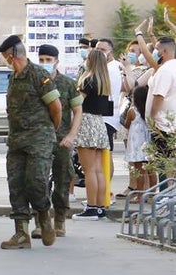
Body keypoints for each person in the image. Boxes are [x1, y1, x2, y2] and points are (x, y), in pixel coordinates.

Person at [0, 35, 61, 249]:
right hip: (16, 140)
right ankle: (21, 234)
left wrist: (50, 130)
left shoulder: (38, 74)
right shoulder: (13, 77)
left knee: (36, 182)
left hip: (38, 139)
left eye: (6, 55)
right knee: (16, 185)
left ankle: (44, 215)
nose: (5, 59)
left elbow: (56, 107)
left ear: (12, 54)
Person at [33, 45, 82, 238]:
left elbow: (78, 111)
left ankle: (60, 221)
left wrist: (71, 136)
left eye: (48, 59)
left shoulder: (67, 84)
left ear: (56, 61)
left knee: (62, 180)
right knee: (38, 181)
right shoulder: (35, 82)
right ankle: (41, 222)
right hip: (39, 140)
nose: (44, 63)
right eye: (41, 59)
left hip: (62, 141)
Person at [72, 47, 114, 220]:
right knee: (98, 170)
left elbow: (77, 102)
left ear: (90, 60)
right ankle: (99, 208)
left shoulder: (88, 80)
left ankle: (90, 207)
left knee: (88, 170)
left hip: (86, 122)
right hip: (99, 123)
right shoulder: (104, 80)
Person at [146, 36, 176, 190]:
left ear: (164, 51)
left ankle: (166, 196)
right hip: (170, 124)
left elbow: (159, 96)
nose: (155, 52)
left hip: (163, 125)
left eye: (156, 49)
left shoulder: (165, 70)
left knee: (164, 162)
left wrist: (151, 120)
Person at [124, 84, 154, 202]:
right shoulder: (149, 111)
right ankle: (152, 193)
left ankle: (140, 196)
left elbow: (126, 124)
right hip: (148, 142)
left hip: (136, 144)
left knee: (139, 170)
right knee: (151, 170)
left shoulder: (132, 111)